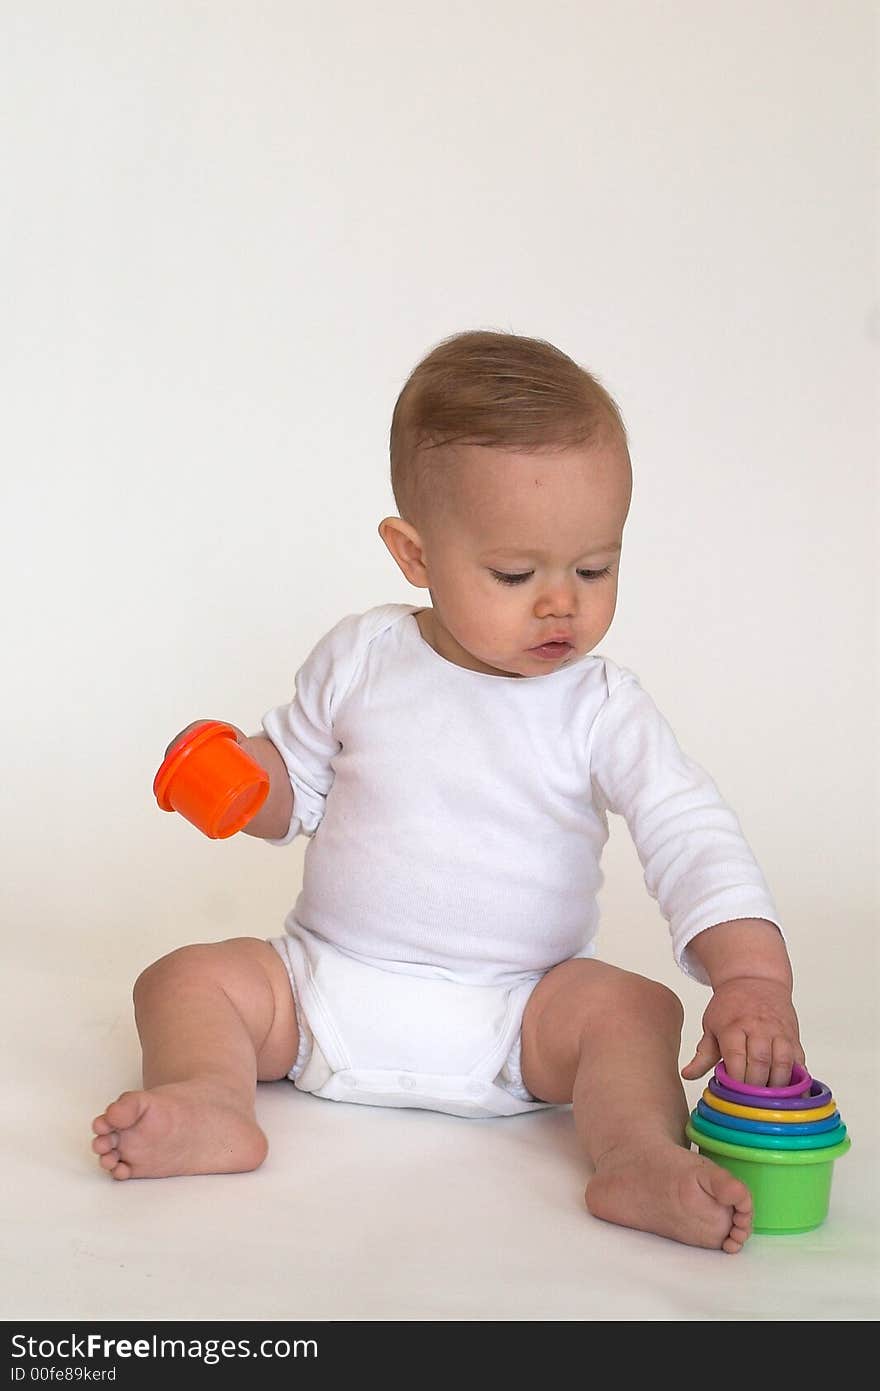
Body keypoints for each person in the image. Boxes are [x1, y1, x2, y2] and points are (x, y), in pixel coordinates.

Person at [92, 329, 804, 1253]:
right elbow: (295, 790)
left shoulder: (600, 705)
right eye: (515, 573)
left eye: (596, 567)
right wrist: (237, 778)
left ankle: (633, 1153)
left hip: (522, 1012)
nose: (562, 603)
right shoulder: (363, 656)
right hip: (322, 989)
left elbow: (688, 831)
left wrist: (751, 976)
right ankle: (209, 1099)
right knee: (185, 978)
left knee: (631, 1010)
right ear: (413, 554)